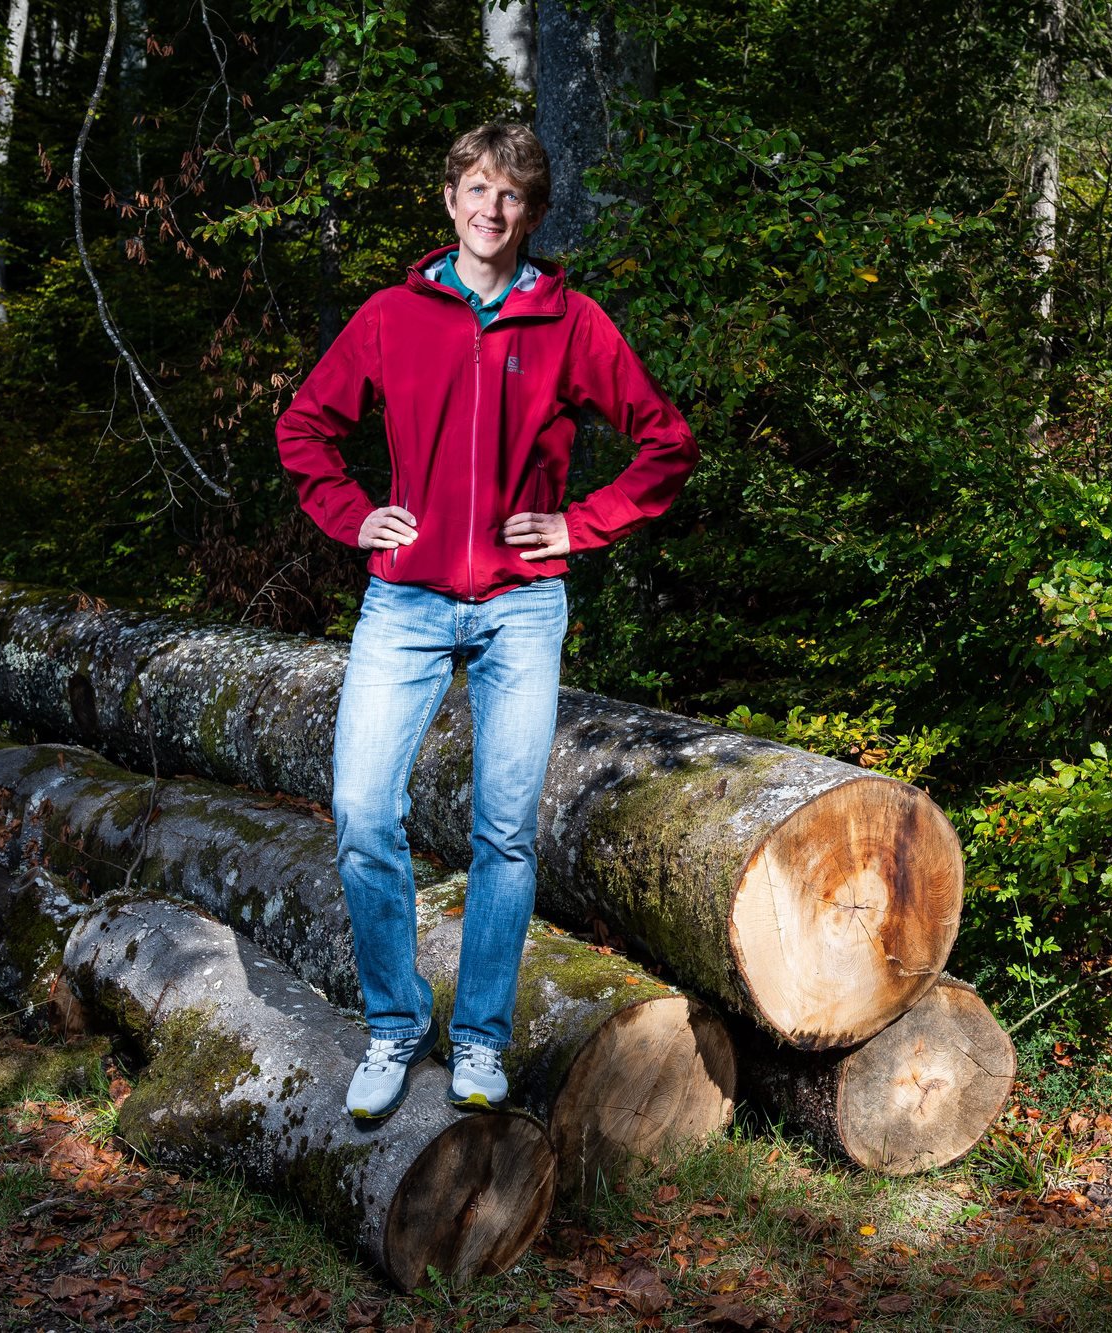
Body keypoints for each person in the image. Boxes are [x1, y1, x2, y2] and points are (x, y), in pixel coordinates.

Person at [276, 122, 698, 1118]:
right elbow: (305, 427)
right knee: (362, 812)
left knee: (502, 835)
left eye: (510, 195)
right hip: (404, 600)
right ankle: (392, 1025)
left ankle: (479, 1042)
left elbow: (663, 441)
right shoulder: (390, 315)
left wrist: (581, 523)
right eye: (474, 187)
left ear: (533, 214)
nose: (490, 208)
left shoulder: (571, 323)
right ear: (450, 198)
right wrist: (352, 514)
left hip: (519, 606)